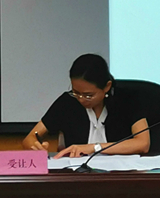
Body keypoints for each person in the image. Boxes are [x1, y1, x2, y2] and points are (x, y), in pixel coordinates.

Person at [22, 54, 150, 158]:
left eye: (88, 95)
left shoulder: (127, 100)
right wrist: (36, 147)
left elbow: (143, 143)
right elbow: (30, 138)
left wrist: (94, 147)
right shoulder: (67, 102)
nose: (81, 99)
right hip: (78, 174)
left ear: (107, 86)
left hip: (121, 174)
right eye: (76, 92)